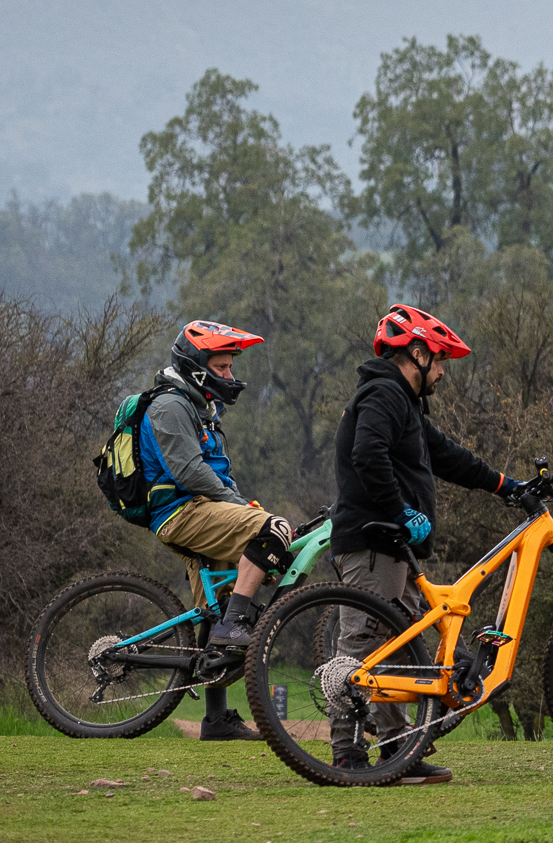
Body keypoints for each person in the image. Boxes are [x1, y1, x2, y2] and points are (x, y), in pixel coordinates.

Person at [325, 304, 531, 783]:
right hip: (373, 541)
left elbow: (448, 457)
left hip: (393, 547)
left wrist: (506, 485)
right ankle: (348, 756)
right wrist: (400, 511)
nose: (441, 372)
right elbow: (367, 453)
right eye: (439, 361)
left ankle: (399, 754)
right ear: (415, 353)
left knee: (397, 650)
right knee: (362, 649)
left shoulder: (405, 405)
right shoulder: (383, 393)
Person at [131, 320, 297, 740]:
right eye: (221, 368)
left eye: (228, 367)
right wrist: (241, 508)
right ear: (196, 366)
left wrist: (240, 504)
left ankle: (216, 719)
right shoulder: (169, 405)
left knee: (217, 606)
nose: (229, 375)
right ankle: (233, 624)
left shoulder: (201, 407)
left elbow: (217, 474)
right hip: (182, 513)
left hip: (202, 508)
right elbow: (188, 470)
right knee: (274, 530)